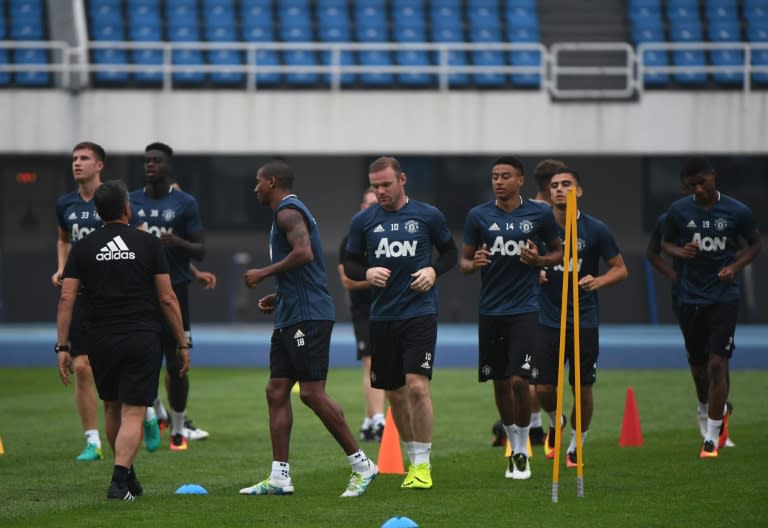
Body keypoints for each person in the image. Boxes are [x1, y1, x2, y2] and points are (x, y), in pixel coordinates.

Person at [240, 160, 377, 497]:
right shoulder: (285, 215)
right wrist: (281, 294)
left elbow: (305, 253)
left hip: (308, 315)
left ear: (271, 182)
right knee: (276, 390)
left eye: (258, 182)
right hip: (292, 310)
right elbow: (301, 264)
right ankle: (279, 477)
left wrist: (263, 273)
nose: (254, 188)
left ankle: (363, 466)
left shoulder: (288, 212)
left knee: (313, 394)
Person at [55, 180, 190, 501]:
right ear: (127, 209)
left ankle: (127, 473)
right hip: (141, 336)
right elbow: (168, 298)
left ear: (98, 212)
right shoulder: (148, 244)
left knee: (112, 408)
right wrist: (182, 342)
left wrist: (63, 347)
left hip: (99, 339)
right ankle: (118, 481)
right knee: (133, 412)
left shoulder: (83, 248)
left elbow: (66, 299)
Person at [343, 156, 458, 490]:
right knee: (394, 392)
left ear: (402, 180)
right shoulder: (363, 221)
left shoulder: (427, 215)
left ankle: (423, 465)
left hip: (420, 313)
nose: (380, 191)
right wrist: (366, 272)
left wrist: (434, 270)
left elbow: (450, 252)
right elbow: (349, 262)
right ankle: (412, 458)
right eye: (375, 185)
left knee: (418, 386)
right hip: (382, 317)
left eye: (386, 184)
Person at [461, 156, 563, 480]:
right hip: (491, 310)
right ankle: (514, 443)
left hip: (526, 308)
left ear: (520, 181)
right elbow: (464, 263)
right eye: (494, 176)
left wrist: (539, 261)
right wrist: (474, 262)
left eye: (505, 176)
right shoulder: (478, 216)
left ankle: (522, 450)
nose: (499, 181)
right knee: (500, 381)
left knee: (521, 379)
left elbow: (559, 251)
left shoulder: (540, 213)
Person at [661, 158, 761, 458]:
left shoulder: (737, 211)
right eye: (692, 185)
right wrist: (681, 250)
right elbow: (665, 243)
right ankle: (705, 406)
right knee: (699, 365)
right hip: (691, 297)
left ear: (713, 177)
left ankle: (713, 436)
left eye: (703, 182)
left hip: (724, 296)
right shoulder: (678, 212)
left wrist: (735, 266)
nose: (699, 189)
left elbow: (755, 244)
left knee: (718, 362)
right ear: (685, 186)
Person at [534, 168, 628, 468]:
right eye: (554, 186)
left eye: (566, 185)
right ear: (548, 193)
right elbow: (522, 260)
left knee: (582, 388)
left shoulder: (596, 229)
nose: (560, 190)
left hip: (583, 320)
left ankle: (576, 445)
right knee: (543, 389)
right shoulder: (538, 228)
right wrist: (534, 271)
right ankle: (556, 420)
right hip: (546, 319)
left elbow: (620, 268)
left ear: (579, 191)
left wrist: (598, 281)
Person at [129, 142, 207, 451]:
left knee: (177, 365)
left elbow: (201, 250)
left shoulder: (185, 203)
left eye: (156, 161)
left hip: (177, 292)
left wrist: (178, 242)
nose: (150, 165)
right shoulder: (131, 201)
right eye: (146, 160)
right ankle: (154, 414)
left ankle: (177, 429)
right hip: (140, 293)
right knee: (141, 361)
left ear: (168, 167)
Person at [52, 141, 107, 461]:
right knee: (81, 366)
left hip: (112, 296)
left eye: (84, 158)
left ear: (99, 165)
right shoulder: (65, 204)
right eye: (74, 158)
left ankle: (149, 409)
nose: (77, 163)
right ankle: (92, 441)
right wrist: (62, 268)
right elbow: (63, 240)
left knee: (117, 365)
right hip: (80, 296)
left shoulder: (112, 201)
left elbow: (136, 235)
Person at [337, 188, 386, 442]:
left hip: (390, 308)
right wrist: (376, 278)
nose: (371, 209)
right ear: (361, 207)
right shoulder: (351, 240)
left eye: (376, 204)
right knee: (370, 362)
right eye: (368, 204)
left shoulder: (390, 237)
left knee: (386, 364)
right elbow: (346, 280)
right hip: (364, 310)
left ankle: (369, 421)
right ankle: (379, 419)